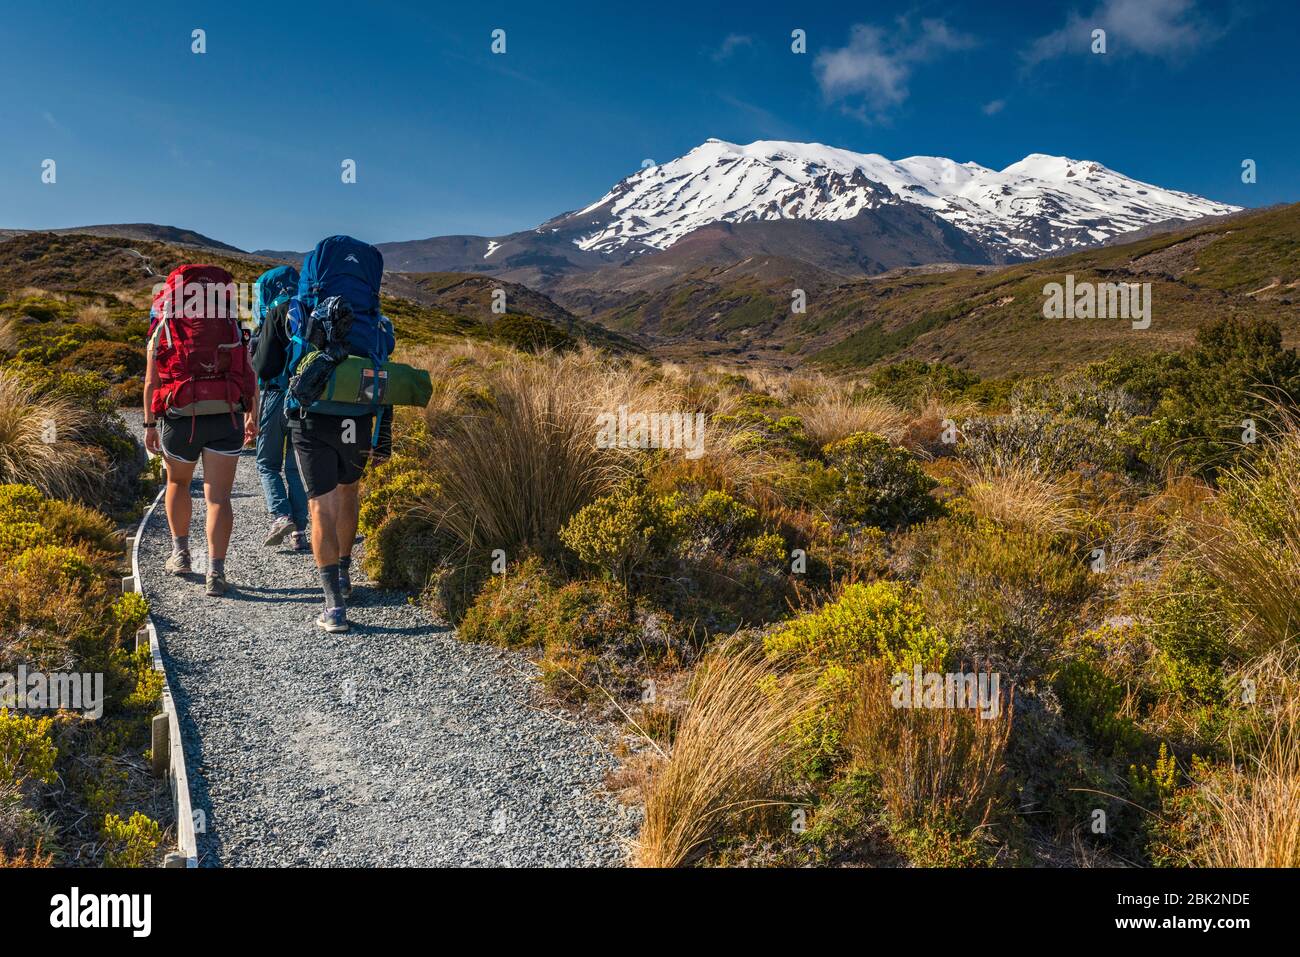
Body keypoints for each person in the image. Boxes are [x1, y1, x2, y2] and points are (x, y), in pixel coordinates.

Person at [258, 236, 394, 633]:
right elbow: (385, 356)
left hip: (311, 414)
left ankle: (333, 605)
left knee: (321, 505)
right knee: (349, 490)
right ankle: (347, 574)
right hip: (358, 410)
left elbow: (265, 368)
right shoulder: (374, 317)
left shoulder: (292, 309)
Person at [143, 265, 258, 597]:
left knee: (177, 482)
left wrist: (150, 424)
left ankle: (180, 555)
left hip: (180, 418)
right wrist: (252, 415)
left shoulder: (165, 322)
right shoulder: (233, 324)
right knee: (218, 498)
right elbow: (249, 373)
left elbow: (152, 381)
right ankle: (216, 573)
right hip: (226, 415)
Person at [249, 266, 309, 551]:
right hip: (306, 400)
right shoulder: (308, 309)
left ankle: (281, 515)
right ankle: (300, 531)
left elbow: (261, 368)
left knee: (267, 464)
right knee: (295, 469)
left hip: (275, 395)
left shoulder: (271, 315)